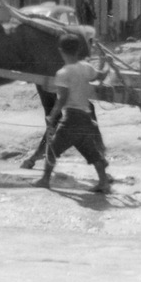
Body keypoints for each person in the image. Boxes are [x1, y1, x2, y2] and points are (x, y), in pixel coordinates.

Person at [34, 33, 111, 194]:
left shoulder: (63, 73)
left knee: (52, 150)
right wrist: (107, 64)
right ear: (78, 50)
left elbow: (62, 99)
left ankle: (45, 180)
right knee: (92, 153)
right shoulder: (86, 67)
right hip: (86, 117)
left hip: (71, 119)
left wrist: (52, 116)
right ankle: (103, 182)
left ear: (61, 51)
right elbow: (101, 75)